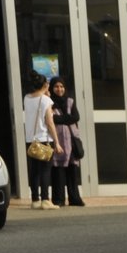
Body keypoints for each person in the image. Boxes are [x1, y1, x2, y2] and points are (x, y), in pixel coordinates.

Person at [23, 71, 56, 210]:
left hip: (31, 140)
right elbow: (49, 122)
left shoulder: (26, 98)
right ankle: (46, 200)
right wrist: (57, 141)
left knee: (34, 170)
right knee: (45, 170)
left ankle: (35, 199)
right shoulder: (46, 100)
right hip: (44, 139)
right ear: (45, 84)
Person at [48, 78, 84, 208]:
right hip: (59, 141)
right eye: (56, 87)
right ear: (52, 88)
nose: (59, 89)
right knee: (58, 171)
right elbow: (52, 119)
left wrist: (61, 119)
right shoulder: (49, 103)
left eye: (61, 86)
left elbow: (76, 117)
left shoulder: (70, 101)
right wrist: (66, 119)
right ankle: (58, 199)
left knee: (72, 171)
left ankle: (74, 198)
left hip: (72, 141)